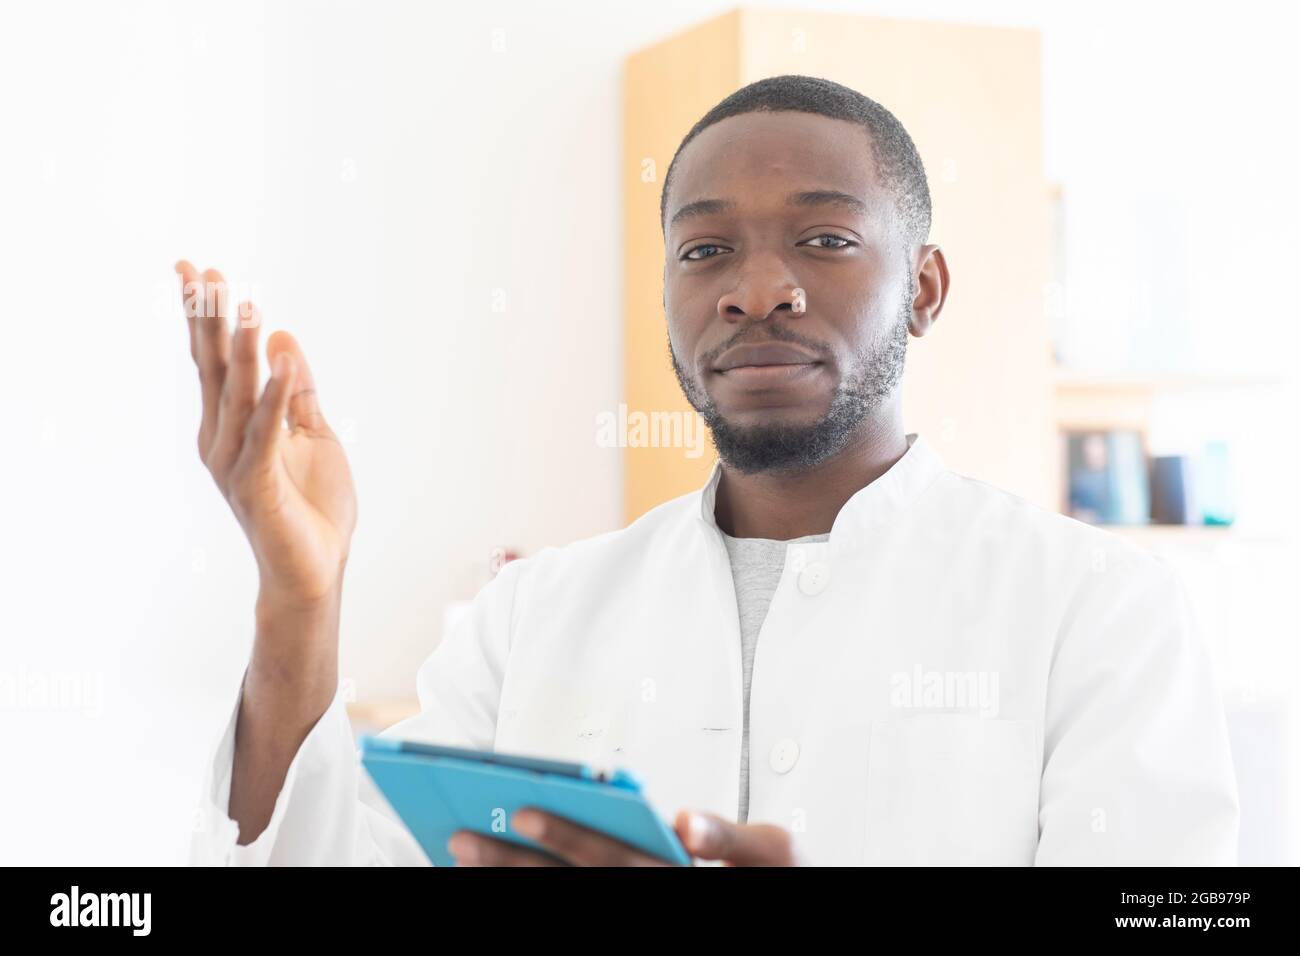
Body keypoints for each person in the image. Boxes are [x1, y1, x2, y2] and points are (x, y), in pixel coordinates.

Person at [183, 75, 1238, 866]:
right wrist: (300, 599)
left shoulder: (1099, 608)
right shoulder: (533, 613)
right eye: (704, 252)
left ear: (924, 288)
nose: (757, 290)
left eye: (823, 238)